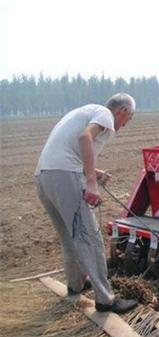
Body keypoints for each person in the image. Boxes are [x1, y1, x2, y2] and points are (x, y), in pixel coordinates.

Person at [35, 93, 138, 314]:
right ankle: (105, 299)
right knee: (90, 237)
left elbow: (67, 151)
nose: (124, 124)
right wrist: (91, 182)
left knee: (69, 237)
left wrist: (95, 172)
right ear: (123, 111)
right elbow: (85, 139)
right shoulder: (104, 114)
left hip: (44, 177)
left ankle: (76, 285)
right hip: (64, 176)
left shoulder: (82, 111)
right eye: (127, 119)